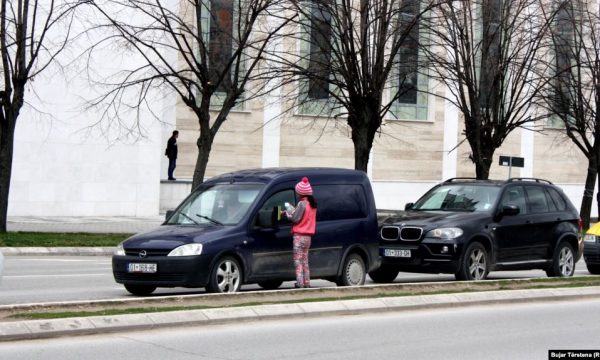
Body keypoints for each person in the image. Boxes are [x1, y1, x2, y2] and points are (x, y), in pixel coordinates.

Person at [284, 177, 317, 288]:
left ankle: (299, 283)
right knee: (305, 260)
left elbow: (295, 218)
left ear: (301, 193)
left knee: (297, 261)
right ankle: (307, 282)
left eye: (297, 192)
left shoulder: (302, 204)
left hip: (299, 236)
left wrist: (288, 214)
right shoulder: (312, 205)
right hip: (308, 237)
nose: (297, 194)